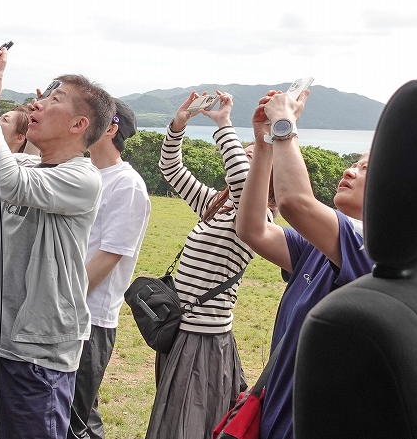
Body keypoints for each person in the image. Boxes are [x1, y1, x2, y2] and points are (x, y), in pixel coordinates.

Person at [0, 43, 115, 439]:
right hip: (4, 339)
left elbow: (9, 180)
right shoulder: (30, 164)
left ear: (78, 126)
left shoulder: (82, 178)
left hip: (38, 352)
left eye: (54, 99)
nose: (37, 105)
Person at [235, 89, 373, 439]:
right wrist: (263, 143)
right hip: (275, 422)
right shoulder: (319, 246)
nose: (350, 170)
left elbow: (295, 202)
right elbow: (253, 229)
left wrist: (285, 125)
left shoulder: (369, 246)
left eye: (366, 169)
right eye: (354, 163)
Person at [145, 91, 263, 439]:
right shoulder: (218, 205)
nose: (241, 160)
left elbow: (244, 183)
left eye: (252, 159)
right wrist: (178, 125)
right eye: (242, 153)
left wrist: (224, 122)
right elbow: (171, 169)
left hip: (204, 340)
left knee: (187, 427)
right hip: (181, 332)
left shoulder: (258, 219)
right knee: (174, 421)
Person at [68, 98, 151, 439]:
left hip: (89, 318)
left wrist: (65, 299)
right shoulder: (88, 174)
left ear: (111, 128)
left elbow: (110, 254)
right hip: (69, 312)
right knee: (73, 411)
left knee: (76, 420)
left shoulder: (126, 184)